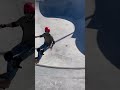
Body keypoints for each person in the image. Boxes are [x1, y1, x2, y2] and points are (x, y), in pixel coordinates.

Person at [0, 2, 35, 88]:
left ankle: (7, 81)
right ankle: (7, 77)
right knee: (9, 56)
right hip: (23, 44)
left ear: (33, 13)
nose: (28, 16)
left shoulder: (35, 22)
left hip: (31, 47)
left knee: (16, 60)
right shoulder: (23, 19)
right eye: (26, 14)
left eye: (30, 14)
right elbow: (14, 24)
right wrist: (4, 25)